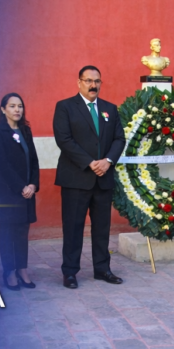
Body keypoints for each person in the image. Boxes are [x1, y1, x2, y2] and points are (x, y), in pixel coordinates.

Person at [52, 65, 125, 289]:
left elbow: (119, 139)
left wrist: (108, 161)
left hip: (103, 179)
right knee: (73, 228)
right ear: (79, 82)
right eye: (88, 81)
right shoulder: (65, 107)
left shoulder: (110, 109)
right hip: (76, 179)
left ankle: (102, 269)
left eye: (97, 81)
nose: (93, 85)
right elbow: (64, 139)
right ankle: (70, 272)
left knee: (102, 228)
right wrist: (90, 162)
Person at [0, 93, 40, 290]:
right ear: (3, 109)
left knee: (22, 232)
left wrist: (33, 185)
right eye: (12, 106)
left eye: (20, 106)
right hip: (7, 192)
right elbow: (3, 164)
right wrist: (21, 187)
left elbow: (34, 160)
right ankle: (9, 271)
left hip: (27, 192)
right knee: (7, 233)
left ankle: (22, 269)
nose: (17, 109)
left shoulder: (25, 130)